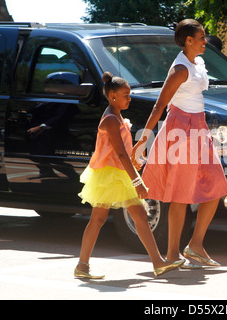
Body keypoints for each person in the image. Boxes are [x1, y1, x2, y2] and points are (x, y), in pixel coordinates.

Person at [133, 19, 227, 268]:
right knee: (180, 194)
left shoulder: (197, 62)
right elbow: (159, 106)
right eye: (201, 37)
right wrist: (142, 140)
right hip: (181, 130)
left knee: (217, 187)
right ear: (188, 40)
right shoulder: (180, 69)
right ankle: (173, 253)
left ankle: (195, 245)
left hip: (199, 126)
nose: (205, 41)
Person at [75, 72, 184, 279]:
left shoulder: (117, 117)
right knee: (100, 219)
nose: (129, 98)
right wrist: (137, 181)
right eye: (126, 95)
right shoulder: (110, 120)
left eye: (129, 94)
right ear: (113, 96)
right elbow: (120, 154)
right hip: (110, 175)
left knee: (137, 216)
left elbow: (125, 152)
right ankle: (82, 266)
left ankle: (157, 263)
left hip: (118, 173)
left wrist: (136, 156)